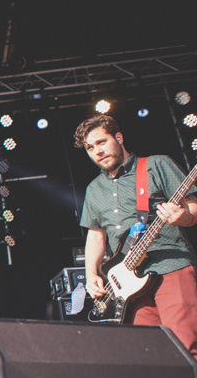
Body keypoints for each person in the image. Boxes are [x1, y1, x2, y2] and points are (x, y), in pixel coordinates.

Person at [76, 115, 197, 357]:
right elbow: (96, 236)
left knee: (186, 348)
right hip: (128, 285)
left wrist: (183, 217)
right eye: (90, 148)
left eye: (101, 142)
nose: (97, 151)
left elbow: (192, 205)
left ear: (119, 138)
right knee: (149, 356)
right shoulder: (94, 189)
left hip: (169, 267)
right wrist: (91, 274)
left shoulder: (157, 164)